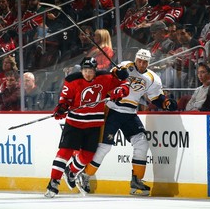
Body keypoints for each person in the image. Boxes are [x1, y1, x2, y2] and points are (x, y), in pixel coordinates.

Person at [66, 49, 177, 196]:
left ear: (149, 62)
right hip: (113, 110)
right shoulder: (126, 66)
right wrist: (118, 75)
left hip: (130, 113)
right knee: (104, 147)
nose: (142, 64)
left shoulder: (153, 78)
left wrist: (166, 103)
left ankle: (136, 179)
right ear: (136, 59)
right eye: (139, 60)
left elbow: (156, 98)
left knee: (142, 142)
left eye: (145, 62)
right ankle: (85, 175)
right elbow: (109, 79)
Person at [44, 56, 130, 198]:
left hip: (93, 124)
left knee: (87, 156)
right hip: (74, 123)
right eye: (85, 70)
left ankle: (71, 172)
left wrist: (120, 91)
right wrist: (62, 107)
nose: (87, 73)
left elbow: (125, 85)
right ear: (81, 70)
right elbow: (65, 99)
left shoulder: (105, 78)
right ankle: (54, 182)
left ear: (95, 70)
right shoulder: (72, 80)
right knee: (65, 152)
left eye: (90, 70)